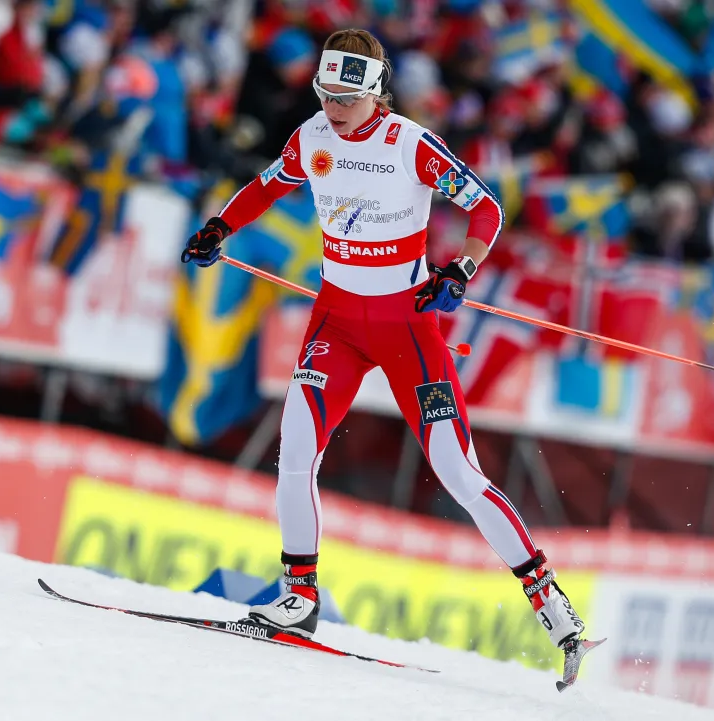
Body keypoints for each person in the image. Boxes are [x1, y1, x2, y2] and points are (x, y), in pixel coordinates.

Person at [180, 29, 588, 659]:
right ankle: (300, 595)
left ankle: (548, 600)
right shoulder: (311, 136)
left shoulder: (410, 144)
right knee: (295, 451)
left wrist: (461, 270)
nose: (332, 109)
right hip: (336, 324)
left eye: (345, 96)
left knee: (457, 470)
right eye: (324, 94)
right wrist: (219, 226)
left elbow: (486, 209)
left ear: (373, 91)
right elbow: (266, 186)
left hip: (407, 330)